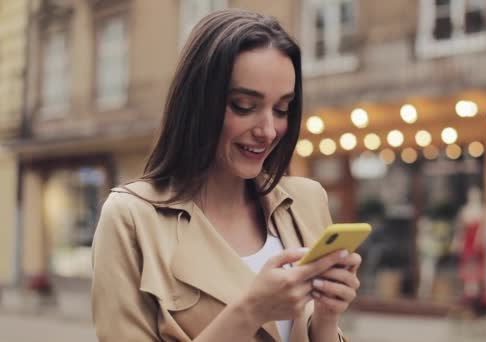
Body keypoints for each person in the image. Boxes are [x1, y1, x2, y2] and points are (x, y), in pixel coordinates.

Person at [91, 8, 360, 342]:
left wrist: (326, 317)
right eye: (244, 106)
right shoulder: (131, 218)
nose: (268, 131)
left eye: (281, 110)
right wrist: (251, 311)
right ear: (198, 102)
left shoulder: (306, 201)